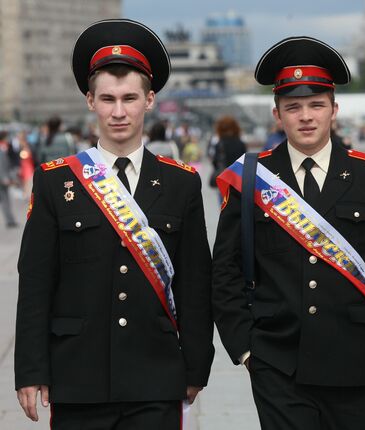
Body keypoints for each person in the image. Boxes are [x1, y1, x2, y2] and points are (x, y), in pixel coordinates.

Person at [211, 36, 365, 430]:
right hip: (278, 362)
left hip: (354, 361)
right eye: (293, 106)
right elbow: (224, 271)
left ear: (334, 110)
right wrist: (246, 349)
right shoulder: (253, 178)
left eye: (316, 105)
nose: (305, 116)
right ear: (277, 114)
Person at [15, 19, 214, 429]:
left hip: (155, 375)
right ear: (90, 101)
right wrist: (32, 370)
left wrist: (196, 366)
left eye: (129, 98)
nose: (118, 112)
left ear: (150, 99)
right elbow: (35, 280)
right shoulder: (56, 181)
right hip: (76, 375)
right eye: (107, 99)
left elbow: (195, 281)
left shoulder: (182, 183)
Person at [0, 131, 18, 228]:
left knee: (5, 200)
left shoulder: (4, 147)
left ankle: (10, 220)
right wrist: (4, 178)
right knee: (5, 200)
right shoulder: (2, 148)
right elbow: (1, 165)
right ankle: (10, 221)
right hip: (2, 179)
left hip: (3, 177)